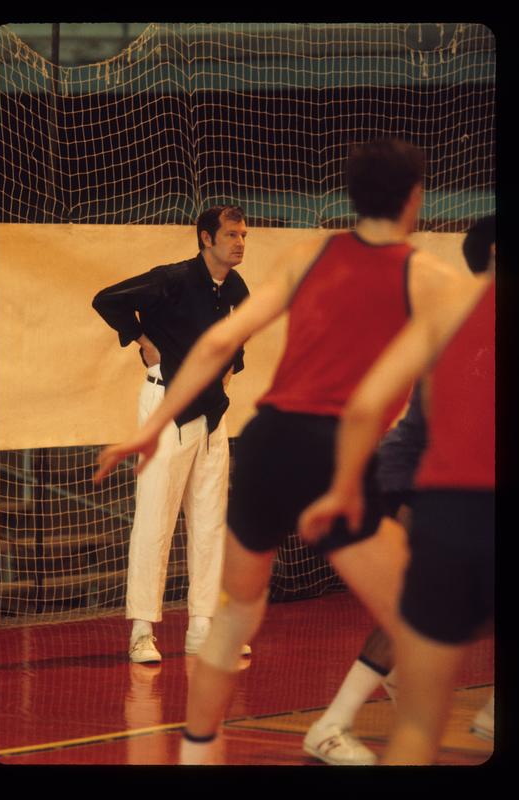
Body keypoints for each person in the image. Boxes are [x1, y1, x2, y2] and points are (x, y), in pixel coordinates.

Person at [94, 139, 475, 765]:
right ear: (415, 199)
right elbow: (370, 403)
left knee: (234, 615)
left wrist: (148, 425)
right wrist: (346, 482)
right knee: (420, 622)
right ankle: (343, 728)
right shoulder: (431, 279)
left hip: (268, 441)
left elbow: (217, 345)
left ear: (352, 197)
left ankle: (196, 752)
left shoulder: (308, 254)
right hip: (331, 451)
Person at [303, 214, 495, 765]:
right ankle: (333, 722)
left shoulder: (453, 313)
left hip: (441, 485)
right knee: (411, 610)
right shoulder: (464, 317)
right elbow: (382, 408)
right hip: (418, 482)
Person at [92, 206, 250, 662]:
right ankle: (142, 630)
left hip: (214, 414)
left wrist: (229, 372)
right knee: (155, 517)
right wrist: (143, 341)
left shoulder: (236, 288)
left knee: (209, 520)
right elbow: (107, 298)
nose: (240, 243)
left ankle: (202, 626)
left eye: (244, 235)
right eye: (231, 235)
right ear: (206, 238)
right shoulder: (173, 279)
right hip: (165, 403)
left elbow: (239, 338)